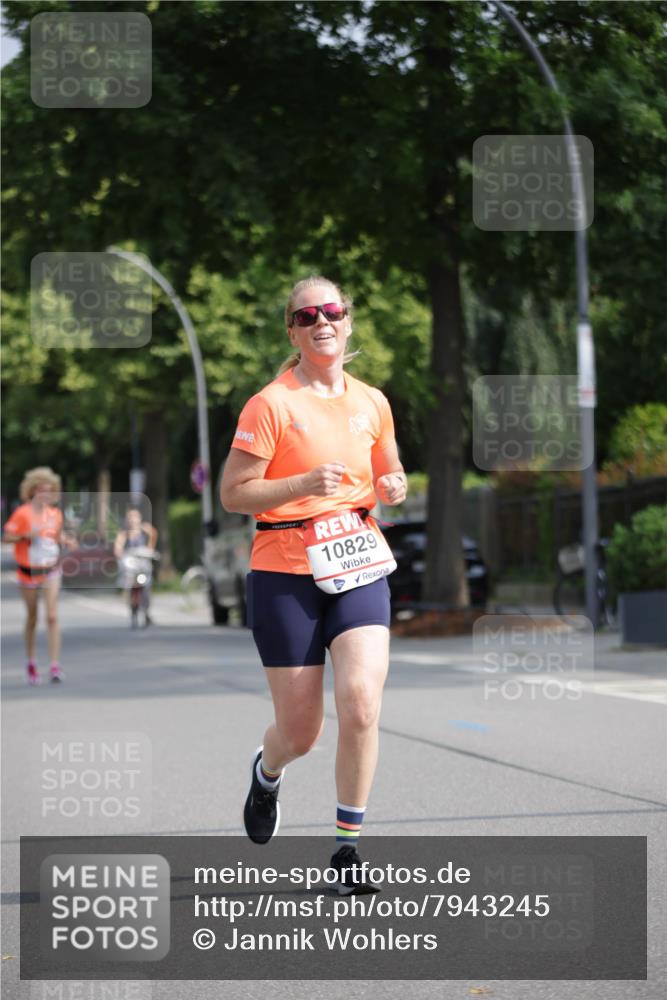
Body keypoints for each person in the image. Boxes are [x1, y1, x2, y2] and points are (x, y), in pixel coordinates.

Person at [220, 275, 407, 895]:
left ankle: (348, 848)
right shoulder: (271, 404)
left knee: (362, 702)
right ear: (293, 332)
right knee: (301, 731)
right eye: (307, 315)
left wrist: (395, 485)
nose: (322, 321)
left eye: (333, 311)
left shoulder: (372, 401)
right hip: (284, 569)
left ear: (349, 321)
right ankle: (268, 770)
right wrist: (302, 485)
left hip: (357, 561)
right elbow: (234, 493)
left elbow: (388, 467)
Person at [2, 467, 73, 684]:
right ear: (32, 491)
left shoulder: (55, 514)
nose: (46, 494)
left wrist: (67, 540)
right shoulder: (22, 513)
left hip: (51, 569)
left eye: (50, 491)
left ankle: (54, 666)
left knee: (52, 616)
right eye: (42, 490)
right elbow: (7, 537)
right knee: (32, 618)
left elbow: (56, 536)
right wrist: (24, 536)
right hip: (27, 572)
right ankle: (31, 662)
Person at [113, 508, 158, 628]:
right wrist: (120, 554)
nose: (133, 520)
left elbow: (153, 535)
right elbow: (118, 547)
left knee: (146, 588)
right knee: (131, 588)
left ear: (139, 518)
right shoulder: (124, 533)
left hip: (143, 564)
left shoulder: (144, 531)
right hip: (131, 566)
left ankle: (146, 612)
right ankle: (133, 612)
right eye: (130, 517)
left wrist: (150, 549)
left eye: (135, 517)